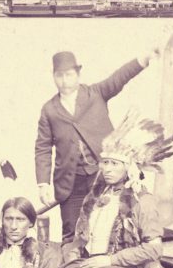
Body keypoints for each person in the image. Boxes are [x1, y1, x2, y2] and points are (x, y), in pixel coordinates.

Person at [32, 116, 170, 268]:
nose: (106, 169)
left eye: (114, 164)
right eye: (104, 162)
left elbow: (154, 249)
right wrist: (73, 251)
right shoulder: (96, 196)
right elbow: (81, 238)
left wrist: (110, 260)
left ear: (128, 167)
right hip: (88, 264)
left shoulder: (142, 200)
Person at [35, 47, 156, 241]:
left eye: (69, 75)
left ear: (78, 74)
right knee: (71, 234)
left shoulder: (96, 93)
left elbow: (119, 78)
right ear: (53, 77)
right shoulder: (49, 109)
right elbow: (42, 147)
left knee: (107, 227)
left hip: (102, 175)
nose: (65, 81)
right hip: (69, 182)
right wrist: (43, 183)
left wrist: (143, 58)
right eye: (59, 76)